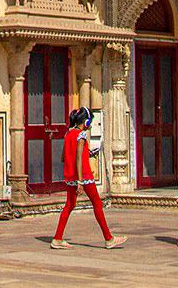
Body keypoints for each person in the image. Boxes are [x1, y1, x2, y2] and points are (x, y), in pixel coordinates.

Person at [50, 107, 124, 250]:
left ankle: (57, 238)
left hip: (69, 175)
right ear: (86, 121)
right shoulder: (81, 135)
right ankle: (108, 238)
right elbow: (79, 158)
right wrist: (80, 181)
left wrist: (85, 154)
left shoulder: (68, 134)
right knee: (97, 204)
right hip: (83, 176)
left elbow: (63, 157)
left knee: (69, 205)